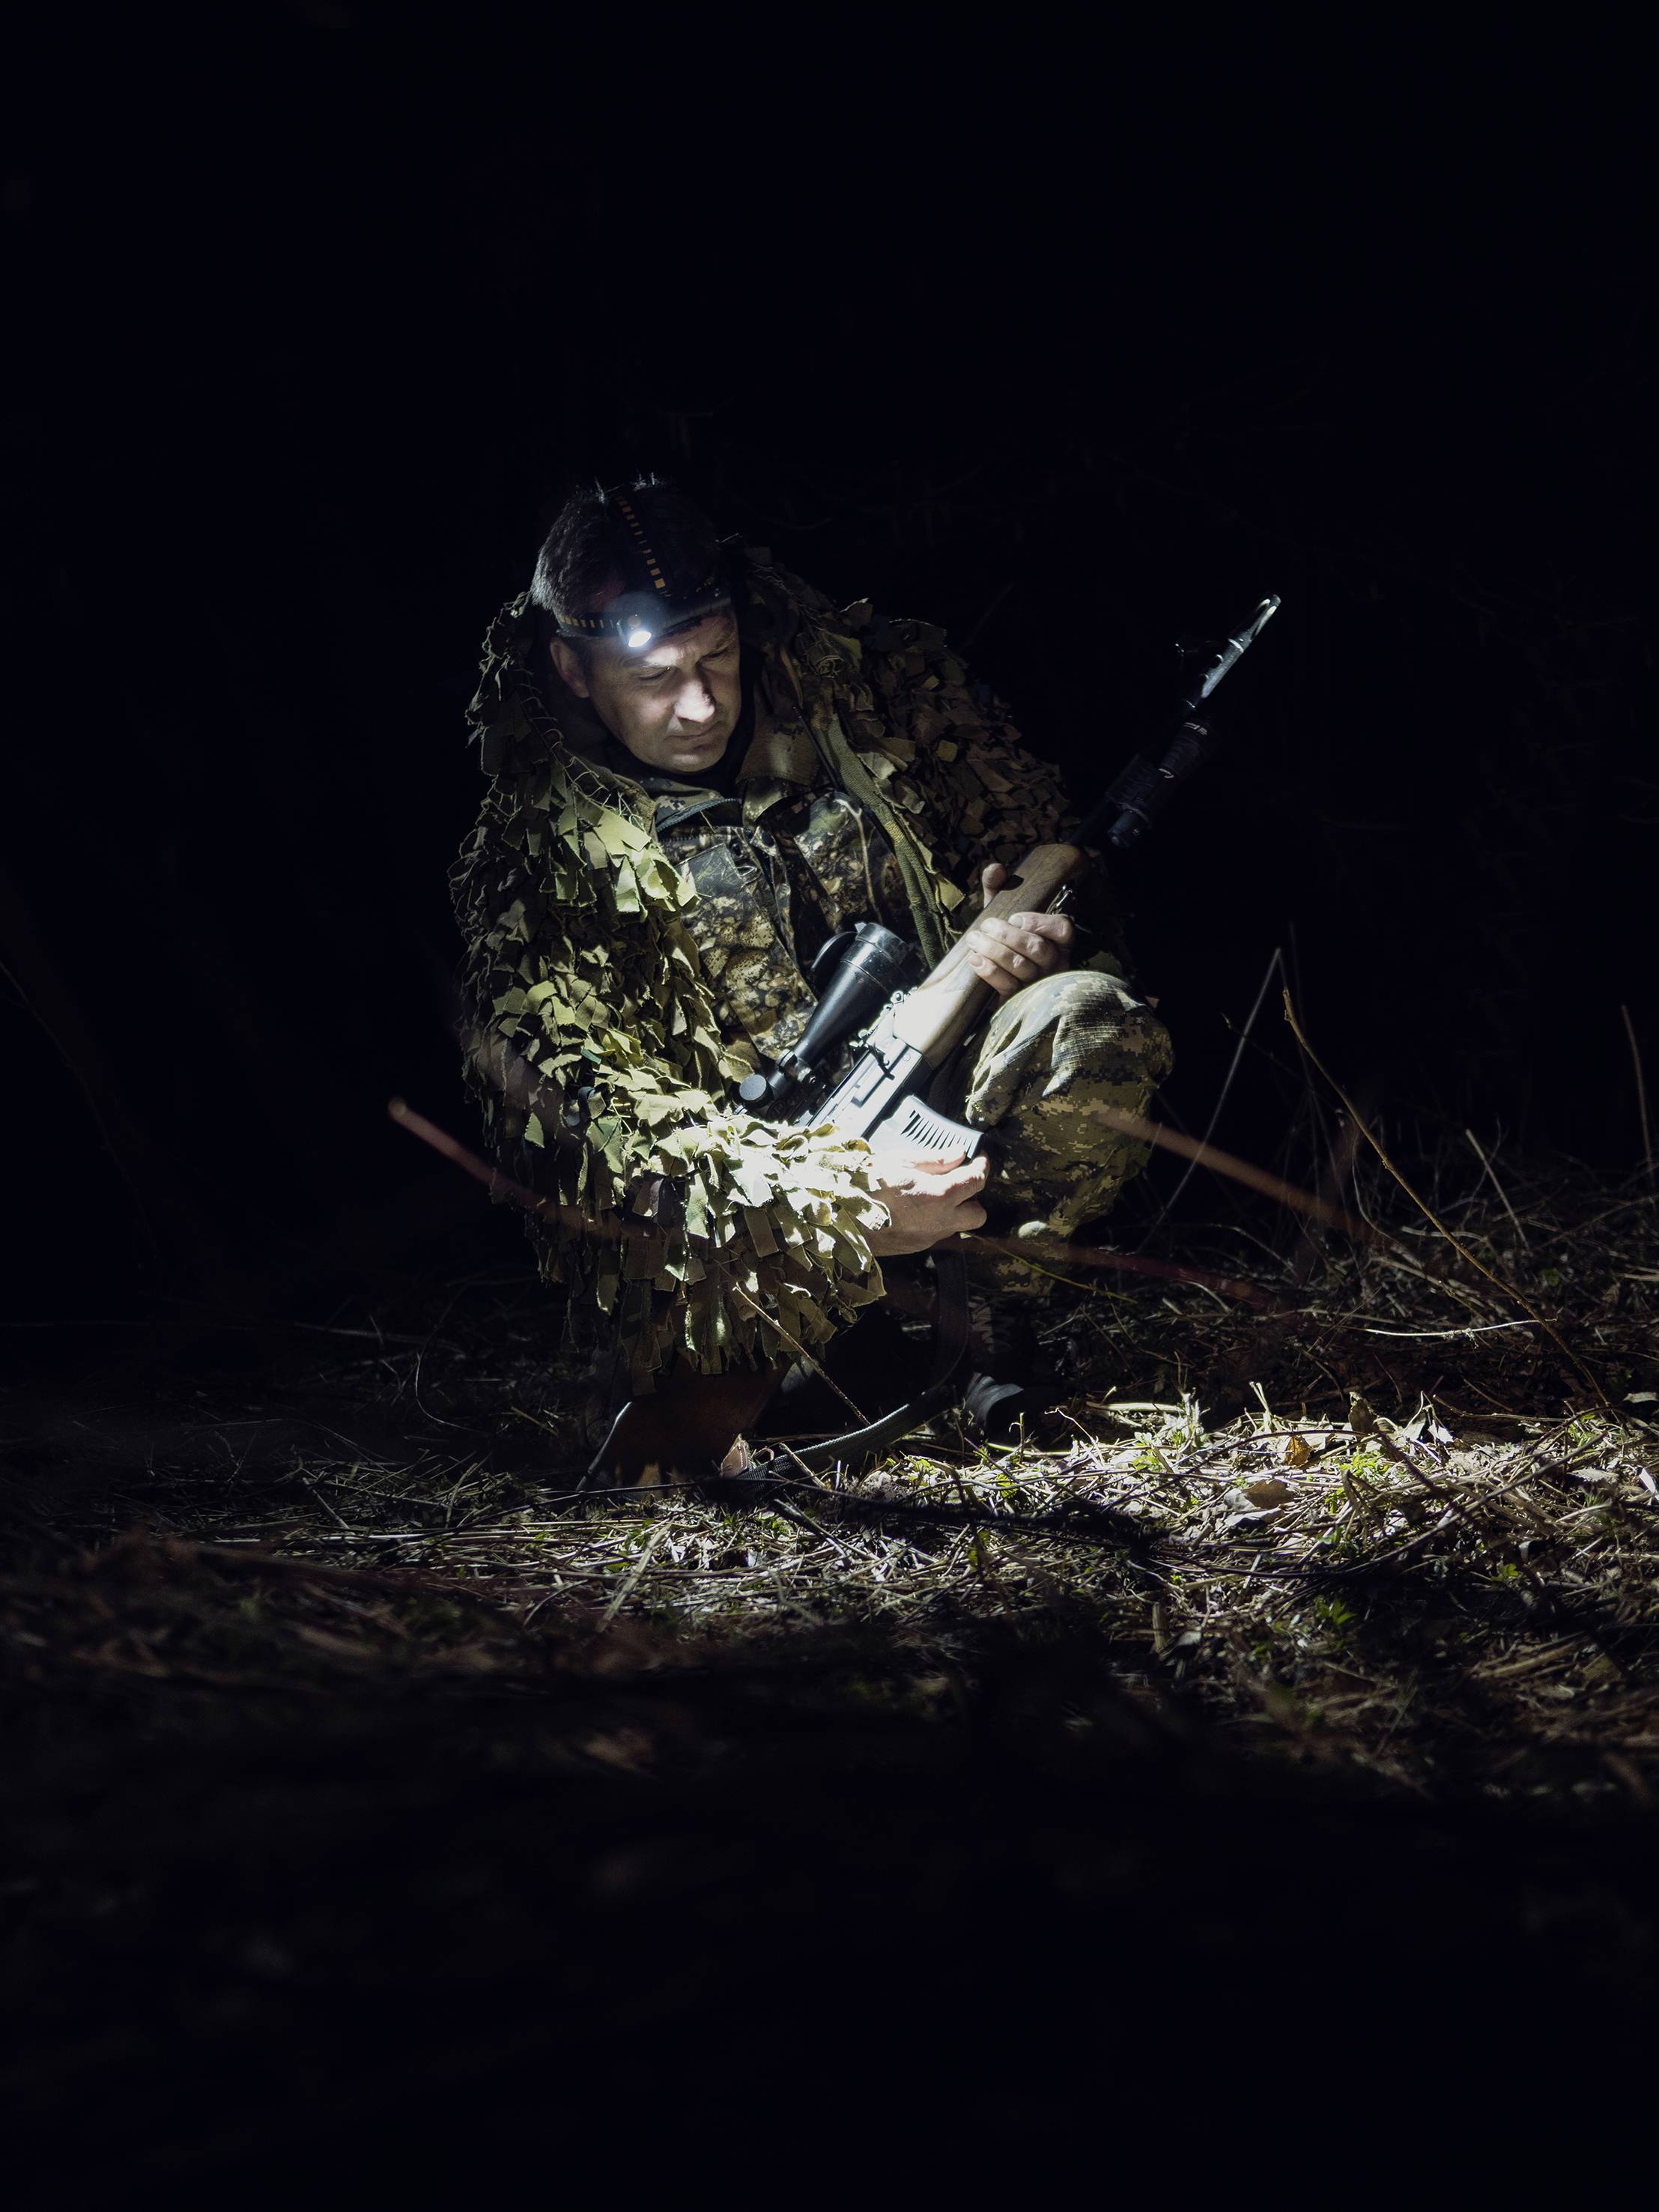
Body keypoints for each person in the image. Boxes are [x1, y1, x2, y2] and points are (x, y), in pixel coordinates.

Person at [451, 479, 1171, 1467]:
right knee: (672, 1392)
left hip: (926, 1102)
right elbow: (589, 1141)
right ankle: (818, 1364)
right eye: (657, 679)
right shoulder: (534, 862)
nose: (700, 704)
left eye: (717, 659)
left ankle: (981, 1338)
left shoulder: (867, 702)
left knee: (1088, 1019)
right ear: (573, 670)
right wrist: (830, 1200)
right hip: (740, 1225)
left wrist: (1010, 931)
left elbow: (1030, 863)